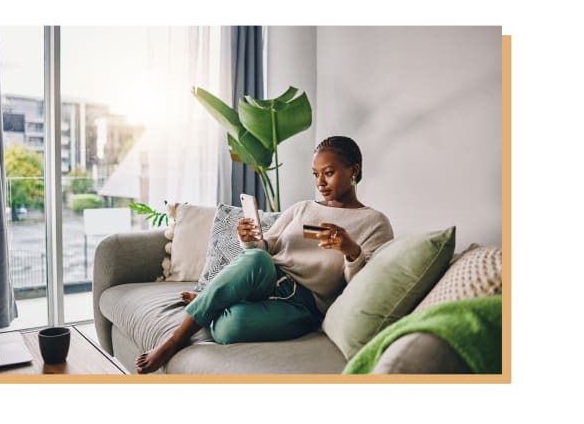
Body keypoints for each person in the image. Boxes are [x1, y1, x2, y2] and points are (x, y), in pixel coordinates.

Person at [135, 136, 394, 374]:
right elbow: (265, 249)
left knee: (228, 328)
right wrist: (250, 240)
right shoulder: (302, 208)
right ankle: (175, 340)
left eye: (328, 173)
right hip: (267, 276)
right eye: (315, 174)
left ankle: (214, 299)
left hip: (302, 306)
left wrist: (351, 251)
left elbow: (364, 288)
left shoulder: (374, 223)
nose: (320, 183)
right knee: (257, 258)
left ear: (354, 171)